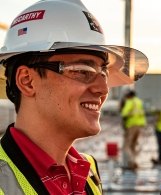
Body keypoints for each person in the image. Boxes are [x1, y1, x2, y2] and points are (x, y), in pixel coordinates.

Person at [0, 0, 148, 194]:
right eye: (82, 70)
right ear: (27, 81)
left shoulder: (88, 171)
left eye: (103, 73)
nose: (103, 89)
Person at [121, 89, 146, 170]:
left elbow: (124, 113)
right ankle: (133, 161)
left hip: (131, 125)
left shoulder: (130, 101)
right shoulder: (139, 101)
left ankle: (132, 161)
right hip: (139, 125)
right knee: (133, 146)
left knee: (126, 146)